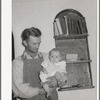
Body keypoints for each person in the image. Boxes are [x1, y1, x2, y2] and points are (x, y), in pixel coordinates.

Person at [12, 27, 59, 100]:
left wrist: (56, 81)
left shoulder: (48, 57)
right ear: (25, 43)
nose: (37, 46)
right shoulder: (17, 63)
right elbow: (19, 87)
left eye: (39, 43)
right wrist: (39, 91)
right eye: (34, 44)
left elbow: (61, 74)